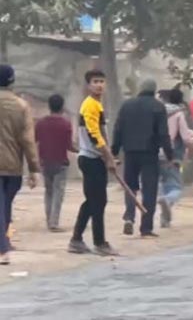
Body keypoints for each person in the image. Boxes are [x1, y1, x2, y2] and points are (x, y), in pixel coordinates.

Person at [112, 79, 173, 238]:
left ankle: (129, 217)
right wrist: (170, 154)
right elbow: (163, 134)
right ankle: (146, 227)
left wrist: (114, 152)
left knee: (130, 186)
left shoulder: (127, 105)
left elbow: (118, 129)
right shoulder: (158, 106)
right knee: (149, 190)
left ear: (140, 89)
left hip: (130, 152)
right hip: (149, 153)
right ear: (154, 90)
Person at [69, 69, 118, 256]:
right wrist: (107, 156)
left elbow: (100, 133)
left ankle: (76, 240)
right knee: (97, 201)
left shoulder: (97, 105)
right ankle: (99, 243)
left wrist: (109, 157)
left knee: (94, 201)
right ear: (88, 85)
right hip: (90, 159)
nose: (99, 84)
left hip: (94, 159)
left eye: (101, 81)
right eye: (95, 81)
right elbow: (93, 134)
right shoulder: (89, 105)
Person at [0, 65, 39, 265]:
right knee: (5, 204)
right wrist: (33, 169)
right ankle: (3, 246)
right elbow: (27, 140)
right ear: (12, 81)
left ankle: (3, 246)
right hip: (13, 165)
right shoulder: (21, 106)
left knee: (2, 205)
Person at [159, 88, 193, 228]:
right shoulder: (179, 115)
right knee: (176, 188)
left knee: (164, 184)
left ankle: (165, 219)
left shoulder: (155, 113)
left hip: (154, 155)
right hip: (173, 156)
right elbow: (187, 139)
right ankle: (167, 201)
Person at [35, 94, 76, 232]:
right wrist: (80, 149)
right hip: (61, 163)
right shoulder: (66, 124)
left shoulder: (40, 123)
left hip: (45, 162)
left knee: (48, 192)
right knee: (58, 193)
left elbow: (36, 141)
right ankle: (54, 222)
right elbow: (70, 146)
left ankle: (49, 221)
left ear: (49, 106)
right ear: (62, 106)